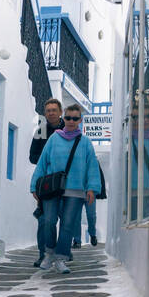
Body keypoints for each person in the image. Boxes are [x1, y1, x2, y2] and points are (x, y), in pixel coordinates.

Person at [30, 102, 97, 274]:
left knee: (67, 225)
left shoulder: (85, 142)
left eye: (75, 118)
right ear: (64, 118)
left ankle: (60, 258)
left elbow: (92, 167)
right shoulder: (51, 137)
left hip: (75, 191)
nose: (71, 121)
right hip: (54, 189)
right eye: (68, 118)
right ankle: (48, 253)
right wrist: (34, 186)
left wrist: (91, 188)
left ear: (80, 120)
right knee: (49, 221)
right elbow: (42, 162)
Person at [29, 98, 64, 267]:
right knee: (44, 220)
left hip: (66, 181)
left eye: (54, 110)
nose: (51, 113)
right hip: (47, 182)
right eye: (48, 110)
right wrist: (48, 161)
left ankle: (63, 253)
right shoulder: (40, 131)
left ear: (60, 112)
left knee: (66, 218)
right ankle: (43, 254)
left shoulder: (69, 128)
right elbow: (32, 156)